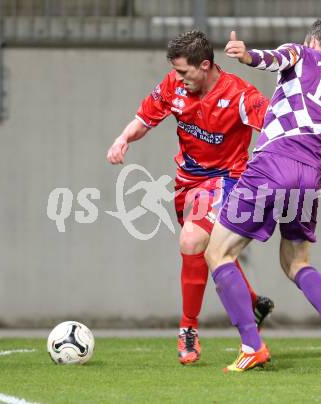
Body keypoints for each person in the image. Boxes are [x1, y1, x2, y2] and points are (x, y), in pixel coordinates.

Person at [205, 18, 321, 372]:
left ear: (313, 40)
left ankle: (251, 345)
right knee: (296, 262)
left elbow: (274, 58)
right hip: (309, 177)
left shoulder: (301, 53)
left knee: (218, 252)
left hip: (271, 165)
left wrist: (246, 56)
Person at [106, 30, 274, 365]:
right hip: (188, 183)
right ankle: (253, 301)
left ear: (206, 65)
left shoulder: (240, 95)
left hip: (228, 179)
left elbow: (276, 125)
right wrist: (123, 138)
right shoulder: (174, 85)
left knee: (192, 240)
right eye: (176, 72)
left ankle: (188, 329)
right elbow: (144, 119)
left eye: (184, 72)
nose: (178, 79)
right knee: (210, 250)